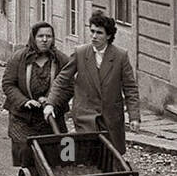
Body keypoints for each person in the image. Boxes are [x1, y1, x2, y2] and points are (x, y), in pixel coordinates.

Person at [44, 11, 141, 156]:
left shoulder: (120, 56)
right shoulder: (81, 53)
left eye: (99, 33)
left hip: (111, 117)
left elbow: (130, 89)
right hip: (85, 114)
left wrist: (134, 117)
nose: (94, 36)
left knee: (111, 156)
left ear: (108, 36)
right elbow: (62, 80)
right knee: (87, 152)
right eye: (92, 31)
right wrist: (50, 103)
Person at [2, 22, 69, 169]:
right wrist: (25, 102)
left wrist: (52, 101)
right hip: (24, 118)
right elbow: (8, 84)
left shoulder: (61, 60)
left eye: (48, 36)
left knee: (62, 151)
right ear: (33, 38)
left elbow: (69, 87)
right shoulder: (19, 58)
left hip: (52, 117)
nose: (44, 40)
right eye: (40, 36)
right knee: (29, 152)